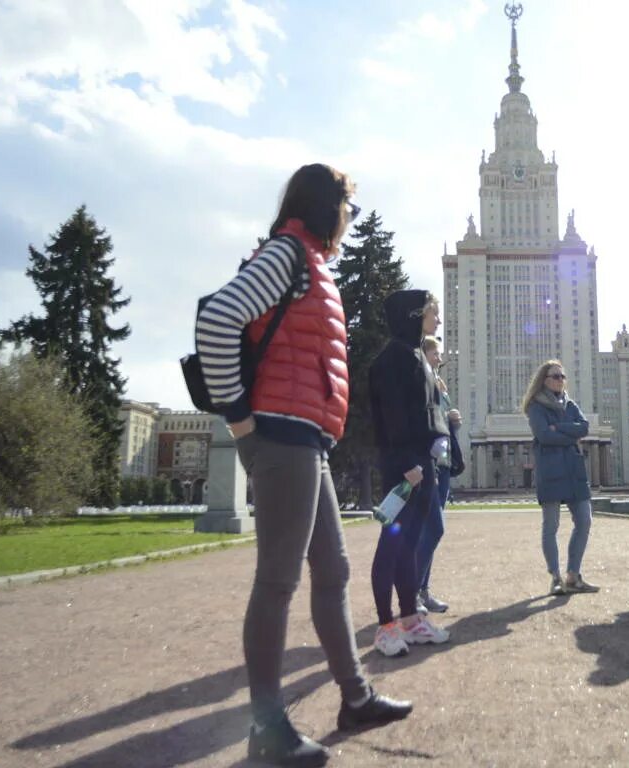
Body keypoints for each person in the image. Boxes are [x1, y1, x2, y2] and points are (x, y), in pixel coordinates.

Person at [197, 163, 410, 766]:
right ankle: (267, 729)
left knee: (334, 571)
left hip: (306, 438)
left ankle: (355, 697)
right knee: (278, 581)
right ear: (325, 205)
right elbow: (217, 320)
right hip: (282, 436)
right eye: (348, 204)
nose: (350, 216)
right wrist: (241, 422)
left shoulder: (310, 260)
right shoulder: (287, 254)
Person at [368, 290, 452, 657]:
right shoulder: (391, 360)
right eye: (432, 313)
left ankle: (410, 620)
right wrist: (407, 464)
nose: (437, 320)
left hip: (424, 463)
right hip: (403, 467)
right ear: (414, 315)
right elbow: (391, 418)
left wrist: (437, 443)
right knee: (392, 544)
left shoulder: (419, 356)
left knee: (411, 548)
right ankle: (386, 626)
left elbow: (427, 412)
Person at [522, 360, 599, 595]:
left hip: (574, 469)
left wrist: (559, 428)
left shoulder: (570, 404)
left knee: (585, 520)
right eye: (555, 376)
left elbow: (584, 428)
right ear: (544, 380)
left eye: (562, 376)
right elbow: (544, 436)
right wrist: (568, 432)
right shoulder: (536, 406)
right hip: (551, 470)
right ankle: (555, 577)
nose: (560, 380)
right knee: (551, 526)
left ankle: (573, 575)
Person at [414, 335, 466, 613]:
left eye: (440, 354)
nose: (439, 358)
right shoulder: (422, 382)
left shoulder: (440, 387)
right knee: (431, 528)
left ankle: (423, 590)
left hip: (444, 464)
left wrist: (453, 422)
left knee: (431, 530)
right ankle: (411, 591)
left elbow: (442, 425)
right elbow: (424, 421)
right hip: (429, 463)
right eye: (435, 353)